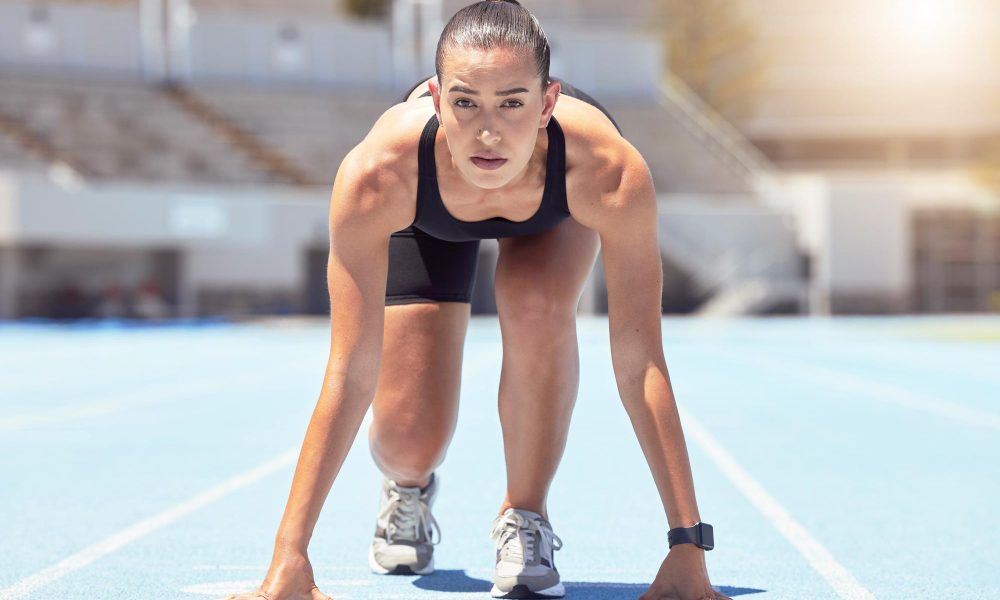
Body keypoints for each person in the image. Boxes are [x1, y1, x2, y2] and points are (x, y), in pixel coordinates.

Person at [228, 1, 730, 599]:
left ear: (548, 104)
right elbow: (349, 368)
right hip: (430, 216)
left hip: (553, 207)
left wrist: (687, 547)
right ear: (436, 100)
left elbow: (639, 361)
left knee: (536, 303)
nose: (489, 132)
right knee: (409, 440)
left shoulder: (606, 171)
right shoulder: (379, 175)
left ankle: (525, 516)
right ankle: (408, 489)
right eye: (466, 103)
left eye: (513, 104)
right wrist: (290, 554)